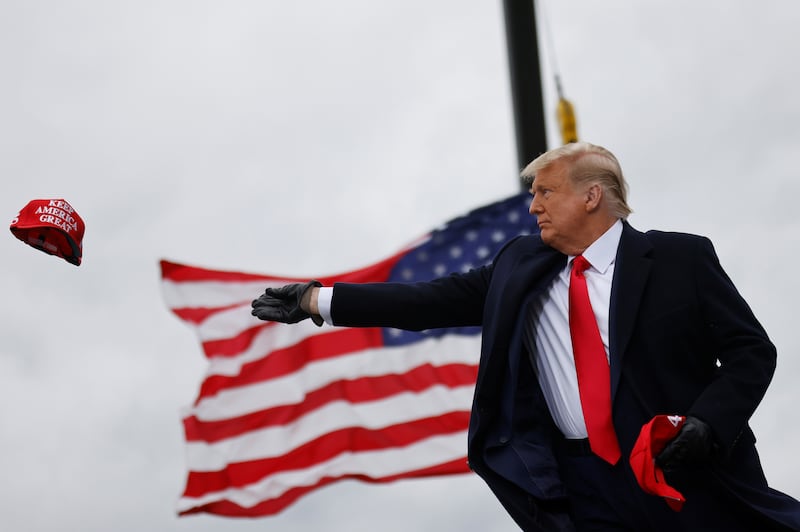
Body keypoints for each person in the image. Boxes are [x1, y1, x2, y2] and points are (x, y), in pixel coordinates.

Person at [251, 142, 800, 531]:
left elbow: (753, 351)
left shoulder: (682, 257)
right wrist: (315, 299)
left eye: (545, 191)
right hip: (585, 486)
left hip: (685, 471)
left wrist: (709, 423)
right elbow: (429, 301)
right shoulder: (519, 265)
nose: (533, 206)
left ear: (591, 197)